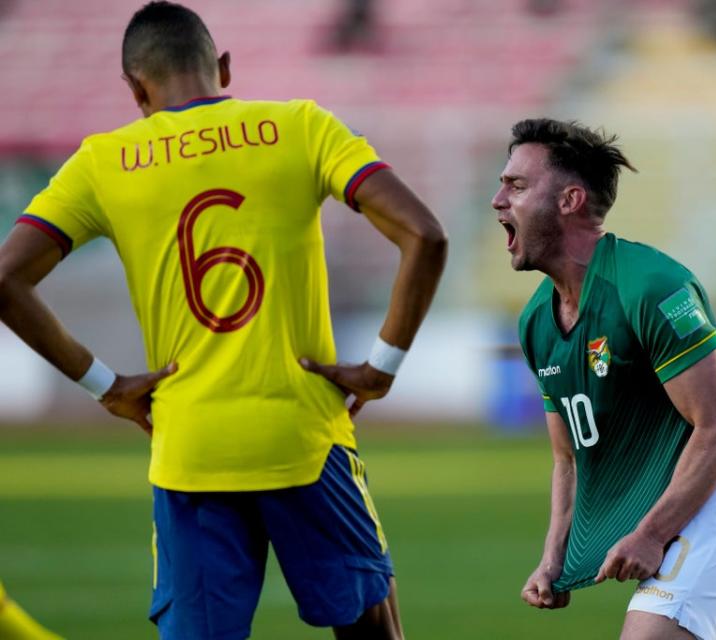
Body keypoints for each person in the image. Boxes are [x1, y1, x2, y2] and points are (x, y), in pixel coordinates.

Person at [0, 2, 446, 639]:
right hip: (305, 438)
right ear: (225, 68)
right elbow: (425, 235)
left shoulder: (102, 162)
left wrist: (105, 384)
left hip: (189, 448)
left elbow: (4, 278)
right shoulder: (301, 126)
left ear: (135, 90)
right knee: (373, 630)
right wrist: (382, 368)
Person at [492, 118, 716, 640]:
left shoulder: (651, 286)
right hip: (676, 516)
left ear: (570, 200)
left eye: (516, 185)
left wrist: (650, 535)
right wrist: (553, 559)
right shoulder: (536, 320)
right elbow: (568, 458)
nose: (498, 200)